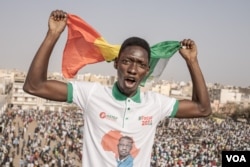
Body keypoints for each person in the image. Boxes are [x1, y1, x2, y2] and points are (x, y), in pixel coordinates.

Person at [23, 9, 212, 166]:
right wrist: (53, 34)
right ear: (116, 64)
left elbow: (203, 109)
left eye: (140, 64)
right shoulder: (91, 94)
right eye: (127, 61)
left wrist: (192, 62)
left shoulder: (155, 104)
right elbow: (34, 86)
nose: (132, 69)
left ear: (147, 70)